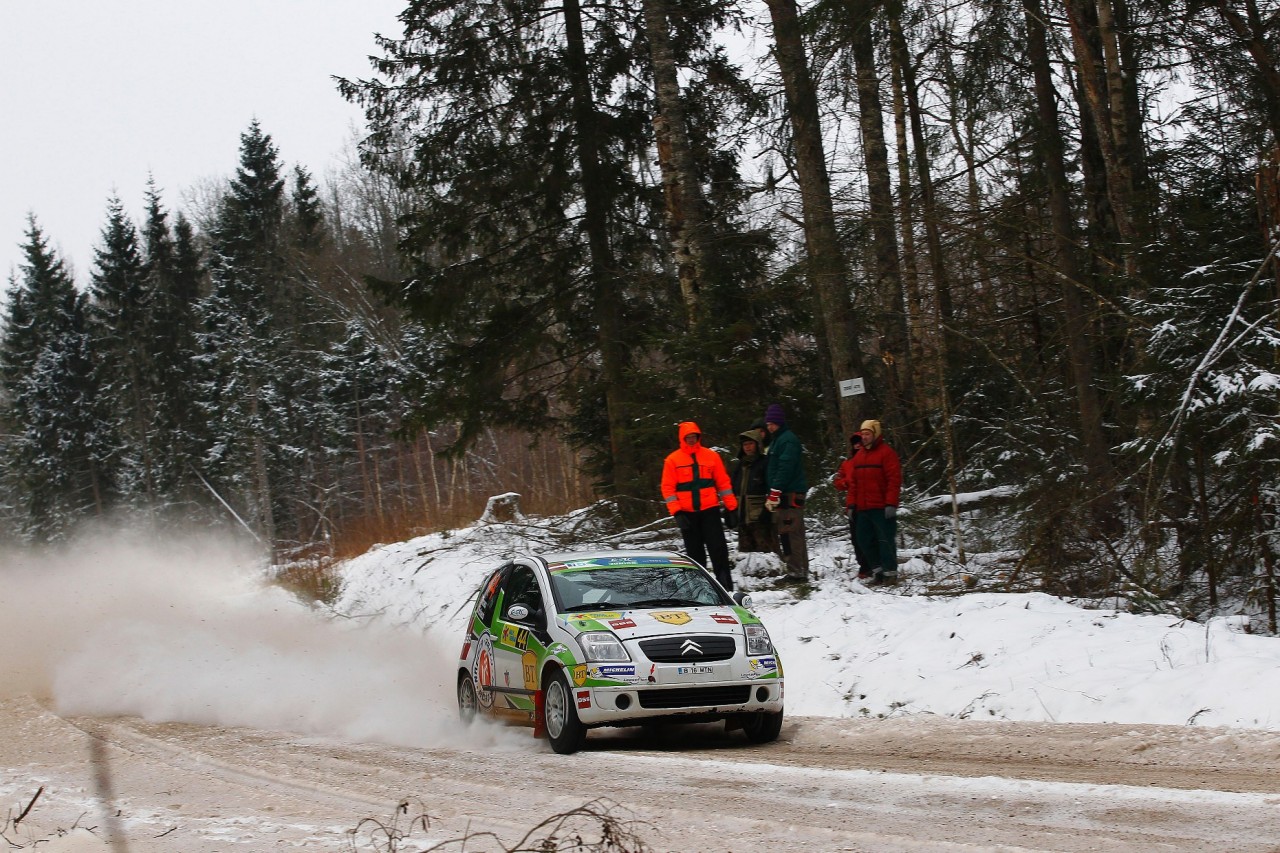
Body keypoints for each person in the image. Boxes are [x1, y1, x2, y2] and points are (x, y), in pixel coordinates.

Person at [661, 421, 739, 590]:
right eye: (687, 437)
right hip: (687, 515)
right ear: (682, 438)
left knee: (719, 551)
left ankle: (726, 588)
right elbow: (667, 488)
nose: (691, 440)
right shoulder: (672, 460)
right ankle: (699, 590)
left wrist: (732, 507)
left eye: (693, 436)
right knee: (695, 556)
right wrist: (677, 512)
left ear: (698, 437)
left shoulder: (711, 456)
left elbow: (723, 483)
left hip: (710, 511)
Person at [846, 419, 902, 585]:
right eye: (862, 434)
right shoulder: (859, 456)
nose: (864, 437)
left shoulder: (886, 453)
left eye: (867, 434)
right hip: (863, 508)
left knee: (885, 540)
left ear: (875, 434)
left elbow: (894, 480)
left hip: (881, 507)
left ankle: (890, 573)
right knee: (863, 539)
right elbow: (853, 484)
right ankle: (877, 571)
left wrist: (891, 503)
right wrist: (851, 505)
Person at [762, 403, 809, 581]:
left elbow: (785, 468)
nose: (769, 426)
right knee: (790, 532)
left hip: (789, 494)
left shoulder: (787, 440)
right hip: (784, 493)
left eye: (772, 423)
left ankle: (796, 571)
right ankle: (799, 569)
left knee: (790, 533)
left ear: (779, 422)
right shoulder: (778, 440)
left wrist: (775, 491)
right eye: (768, 424)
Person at [729, 425, 780, 555]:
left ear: (757, 444)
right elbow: (732, 488)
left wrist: (768, 510)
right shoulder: (739, 465)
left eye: (750, 443)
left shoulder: (766, 463)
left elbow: (774, 487)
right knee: (746, 556)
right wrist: (730, 510)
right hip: (743, 517)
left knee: (767, 555)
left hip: (761, 516)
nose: (747, 447)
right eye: (745, 444)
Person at [833, 432, 871, 573]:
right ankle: (864, 566)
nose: (857, 444)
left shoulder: (870, 460)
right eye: (854, 442)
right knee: (856, 539)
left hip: (868, 504)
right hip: (852, 506)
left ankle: (872, 565)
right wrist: (846, 482)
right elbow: (837, 482)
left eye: (859, 441)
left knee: (867, 536)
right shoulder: (847, 464)